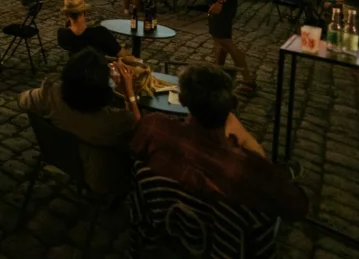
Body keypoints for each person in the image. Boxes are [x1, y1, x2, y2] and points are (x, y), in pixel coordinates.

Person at [130, 64, 307, 220]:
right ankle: (285, 172)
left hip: (161, 224)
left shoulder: (154, 127)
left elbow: (133, 152)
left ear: (182, 100)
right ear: (231, 104)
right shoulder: (248, 170)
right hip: (220, 236)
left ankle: (284, 171)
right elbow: (298, 207)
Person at [19, 49, 139, 194]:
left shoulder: (50, 95)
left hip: (58, 155)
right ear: (103, 91)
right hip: (97, 175)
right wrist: (129, 94)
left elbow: (23, 100)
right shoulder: (114, 122)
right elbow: (139, 131)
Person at [57, 0, 126, 58]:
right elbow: (123, 55)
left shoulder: (62, 34)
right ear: (85, 12)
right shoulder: (100, 33)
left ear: (67, 14)